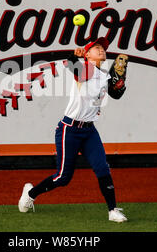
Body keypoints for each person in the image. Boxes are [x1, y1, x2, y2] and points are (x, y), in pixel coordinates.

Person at [18, 37, 128, 222]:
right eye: (96, 47)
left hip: (89, 131)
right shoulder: (85, 69)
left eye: (103, 47)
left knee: (102, 168)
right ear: (87, 54)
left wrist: (120, 83)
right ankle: (30, 194)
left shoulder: (104, 74)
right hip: (69, 129)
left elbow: (115, 94)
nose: (101, 49)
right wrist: (73, 56)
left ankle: (112, 211)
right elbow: (74, 66)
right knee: (63, 178)